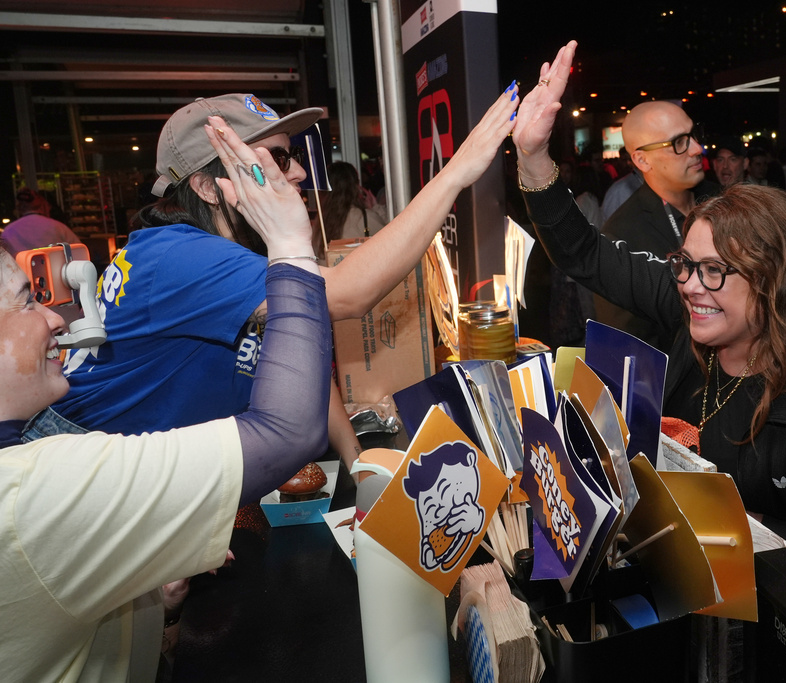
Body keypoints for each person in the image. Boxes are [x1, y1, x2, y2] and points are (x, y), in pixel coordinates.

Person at [0, 119, 333, 681]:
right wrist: (291, 247)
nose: (54, 317)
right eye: (24, 303)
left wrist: (161, 608)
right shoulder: (30, 492)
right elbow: (288, 431)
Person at [25, 88, 518, 466]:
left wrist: (359, 466)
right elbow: (348, 294)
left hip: (127, 468)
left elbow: (295, 341)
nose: (299, 171)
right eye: (277, 159)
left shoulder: (226, 248)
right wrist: (456, 172)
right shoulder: (181, 257)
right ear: (208, 187)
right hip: (78, 467)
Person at [513, 41, 786, 544]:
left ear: (774, 282)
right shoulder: (696, 309)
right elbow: (584, 253)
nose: (688, 285)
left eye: (714, 270)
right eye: (685, 265)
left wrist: (750, 538)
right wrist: (532, 156)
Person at [597, 100, 719, 351]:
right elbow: (630, 346)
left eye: (694, 135)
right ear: (642, 161)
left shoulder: (723, 201)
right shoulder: (621, 235)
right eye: (679, 142)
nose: (697, 148)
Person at [316, 160, 387, 255]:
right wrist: (376, 208)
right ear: (354, 186)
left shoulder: (320, 221)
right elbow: (392, 241)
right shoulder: (364, 218)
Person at [2, 187, 82, 253]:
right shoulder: (57, 227)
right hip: (54, 271)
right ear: (44, 204)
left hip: (20, 271)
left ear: (19, 207)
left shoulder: (9, 231)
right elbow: (79, 251)